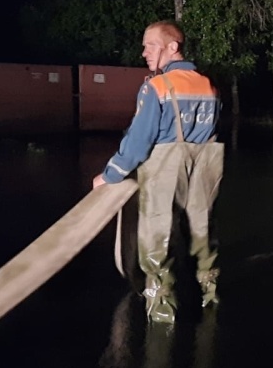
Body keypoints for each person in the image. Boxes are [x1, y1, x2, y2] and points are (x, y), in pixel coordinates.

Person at [92, 20, 224, 324]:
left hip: (165, 172)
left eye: (150, 45)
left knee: (157, 238)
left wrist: (110, 175)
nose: (144, 53)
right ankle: (210, 301)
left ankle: (162, 317)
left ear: (172, 47)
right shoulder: (209, 86)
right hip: (205, 169)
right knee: (202, 232)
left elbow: (138, 143)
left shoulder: (157, 87)